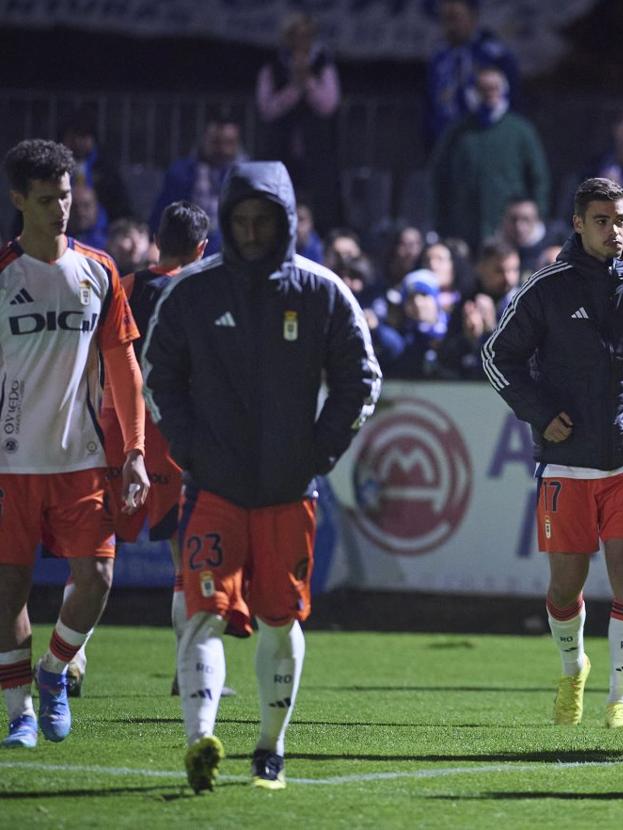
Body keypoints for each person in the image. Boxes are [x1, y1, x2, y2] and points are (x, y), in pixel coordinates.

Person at [141, 161, 380, 791]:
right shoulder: (192, 292)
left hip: (287, 493)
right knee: (202, 615)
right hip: (213, 490)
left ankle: (269, 751)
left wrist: (319, 452)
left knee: (280, 622)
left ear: (284, 219)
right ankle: (199, 743)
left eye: (262, 220)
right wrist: (190, 450)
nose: (250, 231)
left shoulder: (321, 291)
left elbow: (363, 378)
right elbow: (156, 372)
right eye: (240, 220)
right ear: (224, 220)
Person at [483, 177, 623, 731]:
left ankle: (619, 700)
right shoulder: (546, 288)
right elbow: (497, 356)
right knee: (565, 587)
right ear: (578, 223)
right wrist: (538, 412)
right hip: (566, 460)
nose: (614, 230)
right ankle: (571, 667)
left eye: (621, 220)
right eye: (602, 220)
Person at [0, 139, 149, 749]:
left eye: (66, 194)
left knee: (97, 580)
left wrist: (134, 451)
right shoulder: (3, 275)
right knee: (8, 593)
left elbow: (125, 368)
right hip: (10, 464)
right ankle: (20, 714)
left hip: (83, 460)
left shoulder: (99, 270)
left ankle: (56, 671)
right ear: (18, 201)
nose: (61, 207)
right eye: (46, 198)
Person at [69, 202, 236, 701]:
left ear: (155, 240)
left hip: (116, 425)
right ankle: (188, 669)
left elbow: (97, 356)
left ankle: (71, 659)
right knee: (184, 556)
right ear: (203, 248)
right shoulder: (208, 293)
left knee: (94, 552)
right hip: (174, 437)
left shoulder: (123, 284)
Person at [429, 66, 550, 251]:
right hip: (463, 227)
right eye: (483, 89)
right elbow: (438, 176)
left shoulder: (520, 130)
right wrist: (439, 220)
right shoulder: (457, 132)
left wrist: (537, 215)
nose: (490, 94)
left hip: (508, 227)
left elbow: (539, 177)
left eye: (494, 88)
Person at [256, 12, 342, 232]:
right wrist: (294, 88)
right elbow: (267, 109)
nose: (301, 41)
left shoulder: (323, 64)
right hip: (279, 150)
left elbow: (328, 104)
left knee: (321, 205)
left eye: (306, 35)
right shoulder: (272, 67)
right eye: (295, 35)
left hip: (318, 153)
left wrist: (308, 82)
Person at [425, 0, 520, 145]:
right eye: (444, 19)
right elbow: (431, 106)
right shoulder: (438, 60)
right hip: (447, 145)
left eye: (455, 18)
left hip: (486, 143)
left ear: (472, 17)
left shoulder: (494, 56)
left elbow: (512, 104)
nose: (450, 27)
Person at [150, 114, 245, 254]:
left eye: (228, 143)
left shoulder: (245, 175)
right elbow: (163, 212)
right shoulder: (181, 172)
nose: (222, 149)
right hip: (187, 244)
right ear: (205, 140)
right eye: (216, 142)